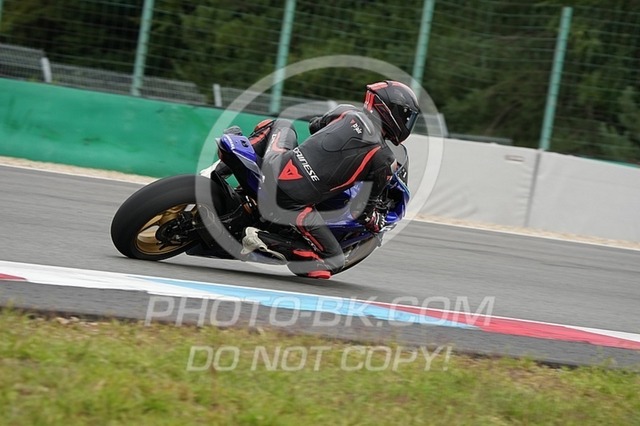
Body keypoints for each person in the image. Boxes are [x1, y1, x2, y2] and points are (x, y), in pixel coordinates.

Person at [240, 80, 421, 279]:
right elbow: (360, 212)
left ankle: (223, 168)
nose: (407, 123)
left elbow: (314, 126)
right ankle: (261, 238)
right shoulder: (384, 159)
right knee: (333, 261)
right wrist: (376, 222)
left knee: (280, 124)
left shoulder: (345, 112)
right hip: (292, 203)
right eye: (406, 116)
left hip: (275, 166)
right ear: (392, 111)